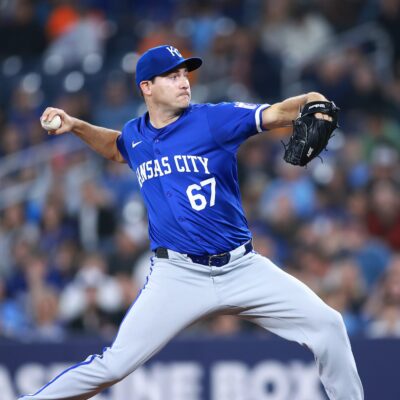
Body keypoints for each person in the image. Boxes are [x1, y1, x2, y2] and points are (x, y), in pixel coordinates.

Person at [21, 45, 364, 400]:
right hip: (178, 276)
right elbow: (117, 148)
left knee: (328, 325)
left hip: (242, 268)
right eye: (172, 76)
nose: (184, 82)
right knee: (113, 366)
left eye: (185, 74)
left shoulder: (213, 119)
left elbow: (278, 112)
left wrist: (313, 97)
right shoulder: (136, 134)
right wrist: (76, 125)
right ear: (147, 87)